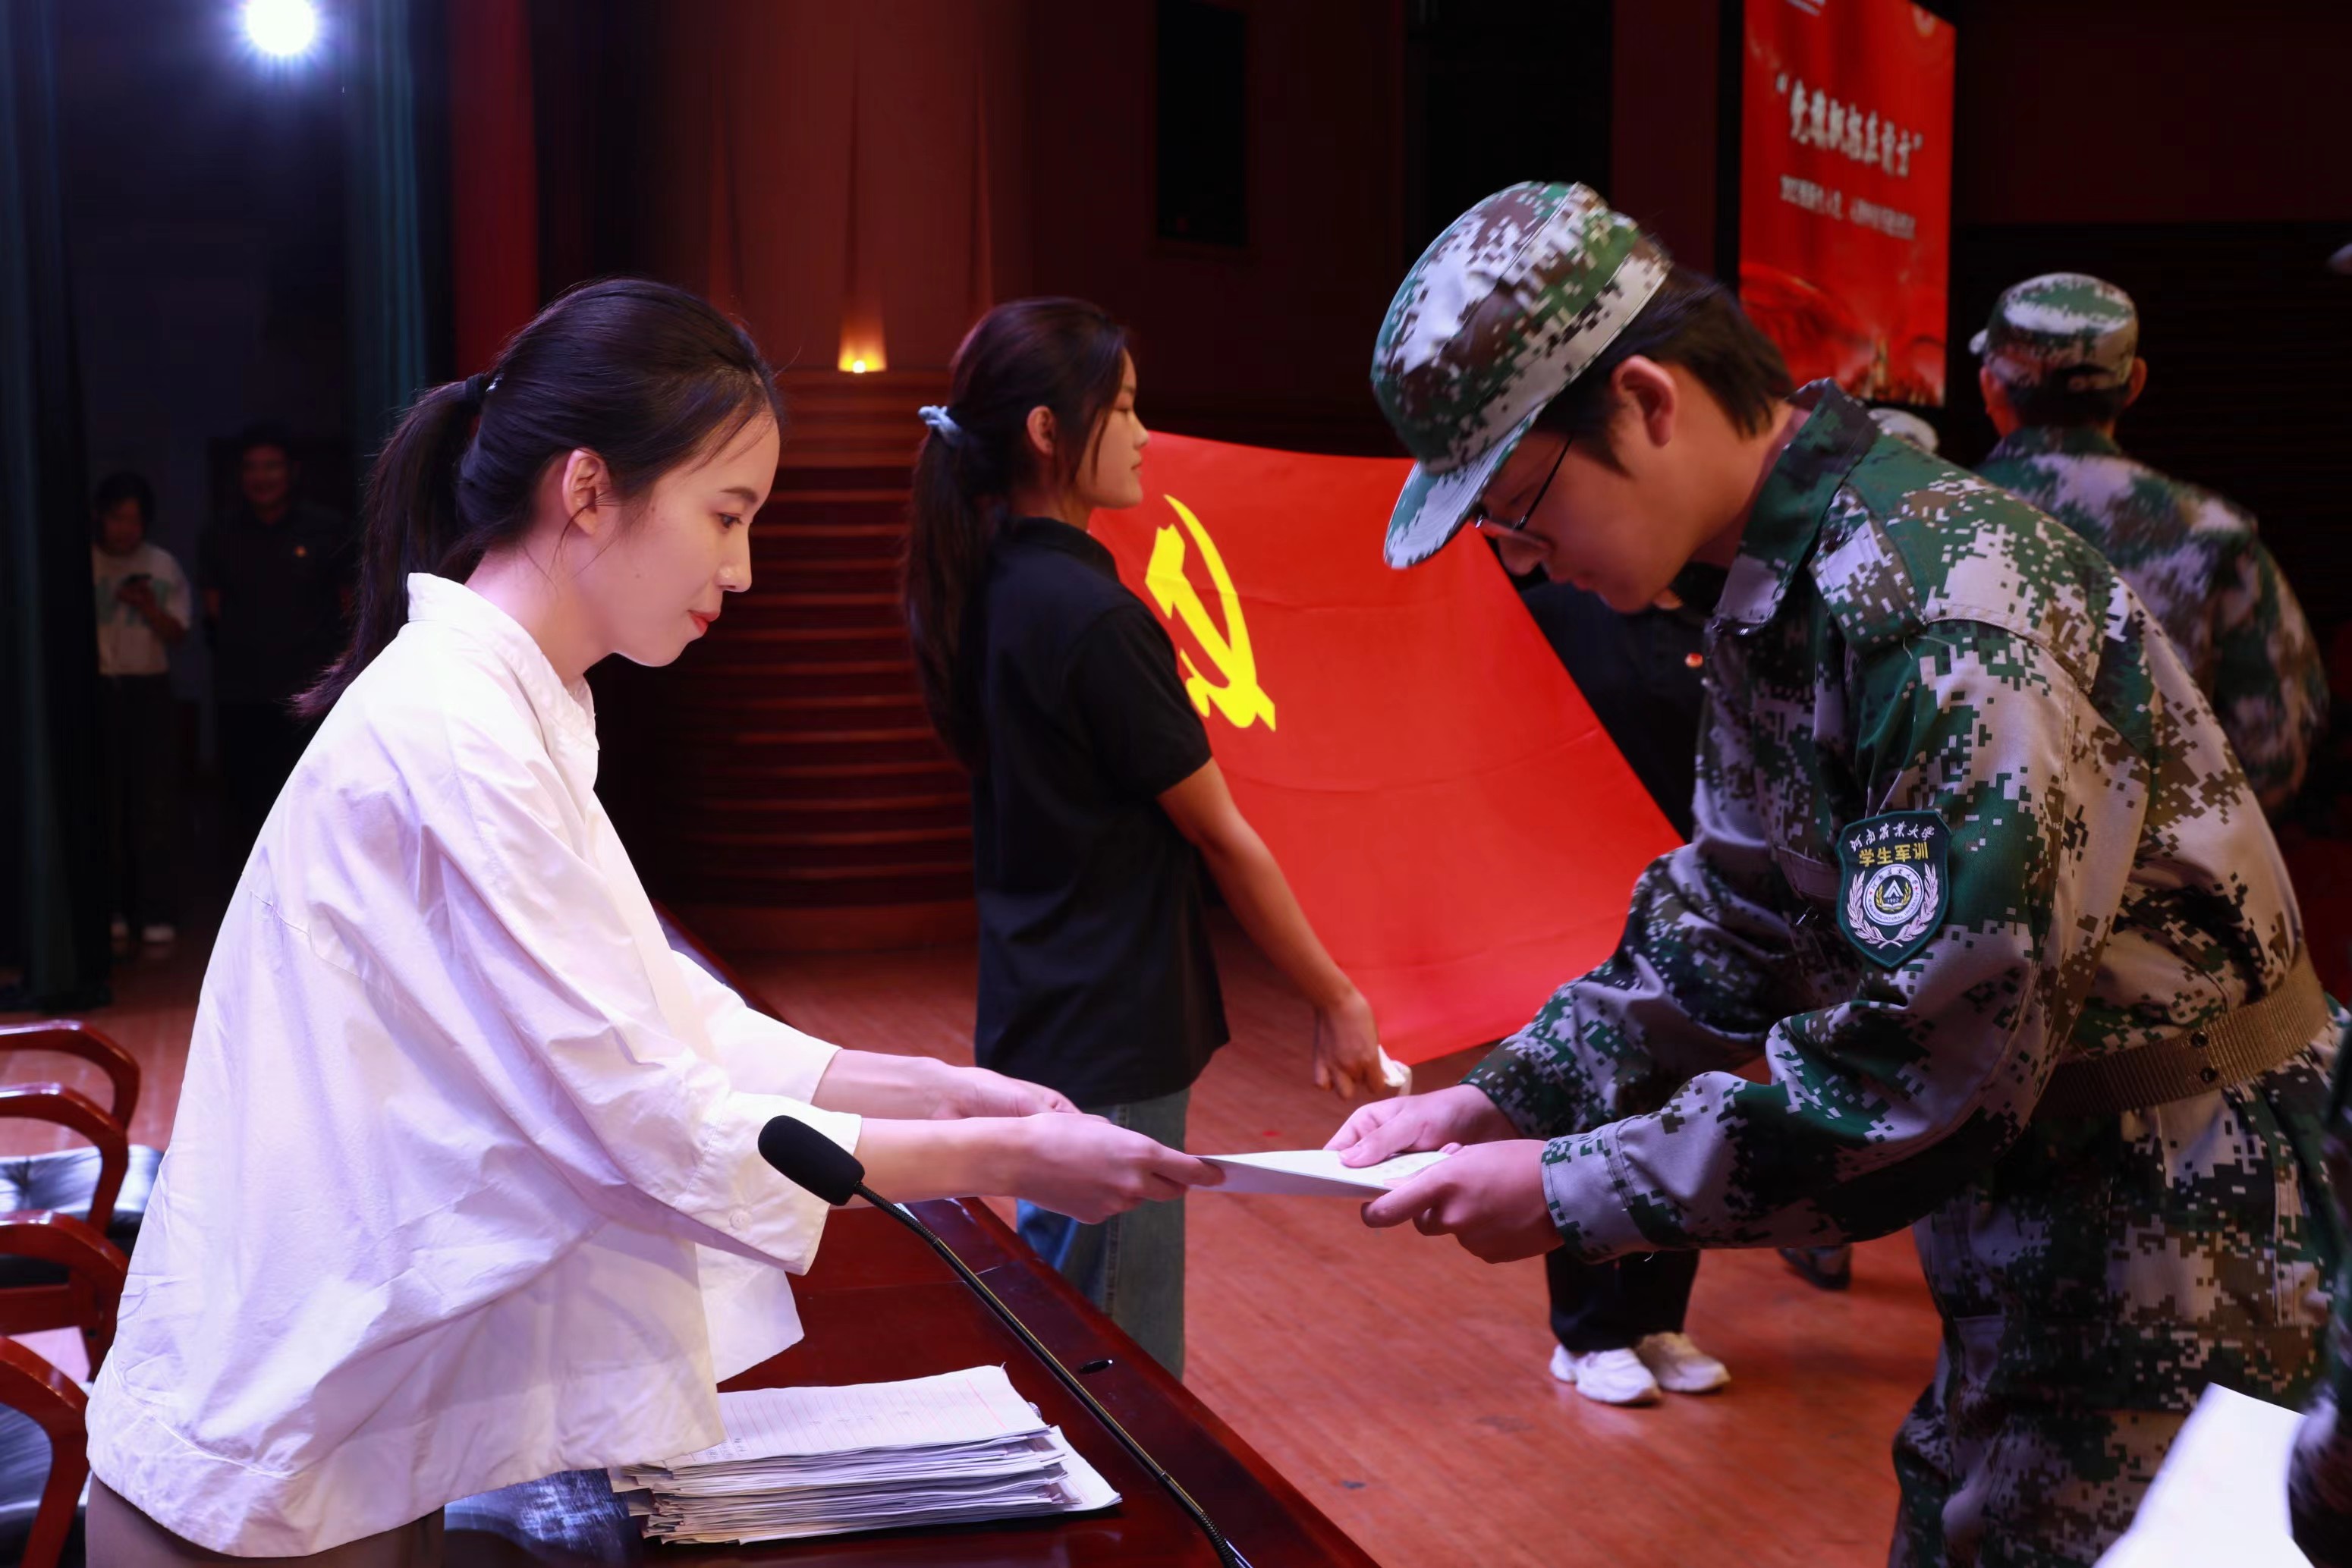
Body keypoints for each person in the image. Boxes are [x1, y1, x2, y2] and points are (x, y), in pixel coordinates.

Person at [83, 279, 1221, 1565]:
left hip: (341, 1430)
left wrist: (952, 1092)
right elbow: (646, 1114)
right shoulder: (460, 729)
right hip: (265, 1468)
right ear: (588, 488)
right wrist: (1005, 1159)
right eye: (726, 514)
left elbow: (671, 1019)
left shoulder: (513, 704)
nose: (742, 567)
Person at [1330, 183, 2333, 1566]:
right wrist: (1510, 1093)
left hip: (2185, 1224)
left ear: (1645, 400)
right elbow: (1735, 910)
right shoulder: (1784, 579)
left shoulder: (1939, 600)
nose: (1523, 558)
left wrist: (1572, 1185)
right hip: (2052, 1206)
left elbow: (1932, 1065)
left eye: (1518, 508)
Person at [902, 297, 1387, 1378]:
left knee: (1071, 1305)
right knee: (1117, 1354)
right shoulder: (1093, 619)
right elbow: (1222, 836)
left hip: (1043, 995)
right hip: (1113, 1015)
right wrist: (1334, 995)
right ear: (1047, 431)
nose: (1143, 433)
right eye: (1121, 408)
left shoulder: (993, 582)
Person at [1972, 272, 2328, 815]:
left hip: (1970, 859)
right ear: (2134, 383)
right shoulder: (2212, 529)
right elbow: (2279, 740)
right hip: (2160, 859)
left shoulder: (1924, 520)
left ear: (1991, 385)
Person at [1518, 560, 1731, 1403]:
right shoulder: (1554, 613)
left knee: (1685, 1111)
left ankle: (1654, 1318)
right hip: (1574, 894)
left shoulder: (1721, 619)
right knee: (1588, 1103)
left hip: (1698, 908)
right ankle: (1586, 1332)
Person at [198, 424, 354, 853]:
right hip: (241, 694)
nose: (261, 477)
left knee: (313, 808)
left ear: (292, 472)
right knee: (246, 808)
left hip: (310, 694)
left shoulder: (327, 527)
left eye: (271, 466)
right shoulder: (219, 532)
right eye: (251, 467)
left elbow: (350, 606)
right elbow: (213, 609)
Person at [90, 469, 190, 950]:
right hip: (96, 688)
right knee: (102, 801)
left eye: (134, 520)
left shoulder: (161, 565)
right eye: (116, 518)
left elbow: (179, 634)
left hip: (148, 688)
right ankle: (109, 909)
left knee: (154, 801)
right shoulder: (83, 560)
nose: (125, 529)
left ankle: (155, 911)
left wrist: (148, 605)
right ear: (100, 517)